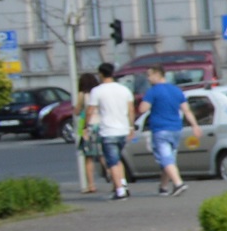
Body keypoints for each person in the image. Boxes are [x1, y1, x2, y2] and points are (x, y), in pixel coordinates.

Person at [83, 63, 134, 201]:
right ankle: (123, 183)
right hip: (123, 129)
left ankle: (119, 191)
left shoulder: (97, 91)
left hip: (108, 130)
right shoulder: (124, 89)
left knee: (112, 162)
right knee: (118, 159)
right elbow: (130, 109)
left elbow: (90, 111)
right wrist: (131, 127)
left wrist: (86, 127)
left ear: (101, 74)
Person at [140, 70, 187, 196]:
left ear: (157, 75)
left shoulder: (153, 91)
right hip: (176, 128)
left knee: (165, 159)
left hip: (160, 129)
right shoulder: (176, 90)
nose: (148, 78)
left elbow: (142, 108)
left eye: (149, 75)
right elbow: (186, 109)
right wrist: (194, 125)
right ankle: (163, 187)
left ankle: (178, 184)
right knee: (169, 160)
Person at [68, 71, 100, 197]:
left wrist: (75, 108)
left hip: (89, 126)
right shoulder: (99, 92)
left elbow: (77, 111)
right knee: (104, 155)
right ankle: (113, 180)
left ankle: (91, 184)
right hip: (101, 125)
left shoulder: (83, 94)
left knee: (88, 157)